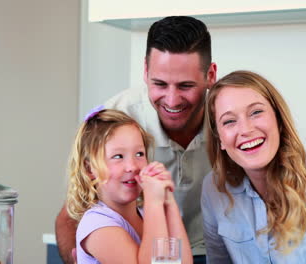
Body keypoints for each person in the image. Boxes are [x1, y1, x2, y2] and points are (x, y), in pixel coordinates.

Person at [56, 16, 216, 263]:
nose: (172, 101)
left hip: (205, 247)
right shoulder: (116, 119)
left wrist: (165, 202)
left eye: (185, 86)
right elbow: (70, 215)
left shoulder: (230, 118)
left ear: (210, 75)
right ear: (145, 71)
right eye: (160, 84)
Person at [201, 70, 306, 263]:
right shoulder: (213, 189)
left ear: (279, 120)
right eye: (229, 121)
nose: (246, 130)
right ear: (220, 139)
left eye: (256, 112)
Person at [66, 108, 192, 263]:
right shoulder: (97, 225)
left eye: (139, 154)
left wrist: (168, 201)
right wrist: (154, 202)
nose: (132, 166)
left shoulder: (148, 215)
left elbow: (183, 262)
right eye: (118, 156)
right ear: (89, 169)